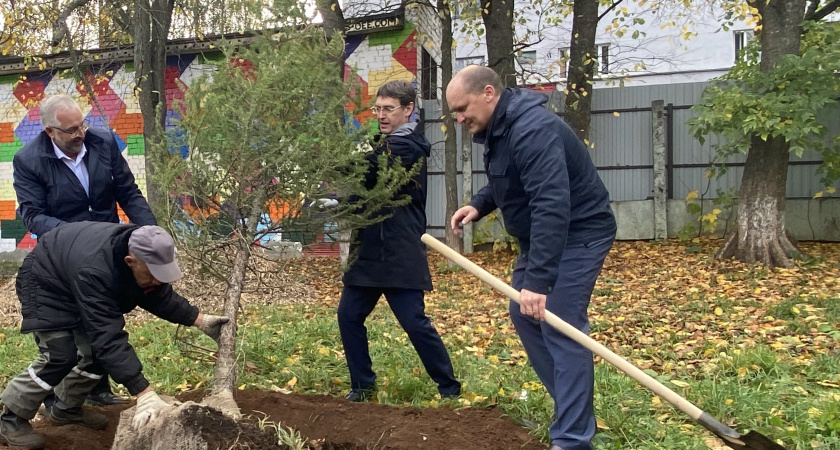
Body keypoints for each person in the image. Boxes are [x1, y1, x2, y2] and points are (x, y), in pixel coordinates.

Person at [447, 65, 616, 450]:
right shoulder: (503, 128)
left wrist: (538, 282)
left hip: (578, 232)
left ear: (488, 93)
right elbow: (511, 179)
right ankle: (574, 413)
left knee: (559, 322)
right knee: (521, 312)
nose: (458, 119)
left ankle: (573, 439)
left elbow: (552, 203)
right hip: (544, 235)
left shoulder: (532, 129)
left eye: (462, 108)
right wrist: (478, 204)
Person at [0, 222, 229, 449]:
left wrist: (200, 320)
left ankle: (65, 410)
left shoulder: (140, 259)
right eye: (153, 274)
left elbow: (160, 296)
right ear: (130, 262)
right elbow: (107, 335)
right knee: (59, 355)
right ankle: (11, 418)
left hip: (74, 275)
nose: (158, 281)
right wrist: (144, 393)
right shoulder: (96, 270)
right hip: (45, 281)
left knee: (96, 356)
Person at [13, 94, 158, 406]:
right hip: (64, 257)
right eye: (72, 130)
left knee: (103, 316)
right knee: (72, 327)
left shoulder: (103, 143)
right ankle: (58, 399)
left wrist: (150, 232)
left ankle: (97, 391)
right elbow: (33, 216)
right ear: (50, 131)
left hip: (108, 247)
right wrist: (79, 236)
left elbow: (128, 193)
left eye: (83, 125)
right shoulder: (29, 160)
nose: (81, 134)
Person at [337, 80, 461, 402]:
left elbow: (371, 171)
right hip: (367, 251)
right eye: (377, 108)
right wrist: (340, 204)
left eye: (388, 109)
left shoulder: (410, 148)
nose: (380, 114)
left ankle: (448, 386)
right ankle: (362, 386)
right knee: (348, 316)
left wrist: (331, 162)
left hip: (399, 251)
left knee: (415, 323)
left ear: (408, 110)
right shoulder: (382, 145)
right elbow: (368, 194)